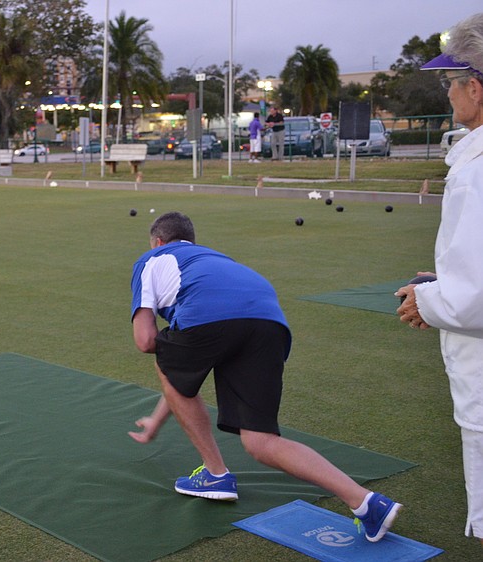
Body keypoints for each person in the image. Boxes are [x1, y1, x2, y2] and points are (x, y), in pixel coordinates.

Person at [130, 211, 401, 542]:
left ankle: (216, 474)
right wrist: (157, 421)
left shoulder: (152, 258)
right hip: (269, 321)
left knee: (163, 350)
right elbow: (181, 369)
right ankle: (366, 503)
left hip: (212, 318)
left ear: (157, 242)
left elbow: (146, 342)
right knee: (261, 441)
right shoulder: (212, 260)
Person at [397, 12, 483, 546]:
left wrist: (426, 300)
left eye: (452, 82)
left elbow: (474, 299)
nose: (449, 93)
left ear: (474, 86)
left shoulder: (476, 169)